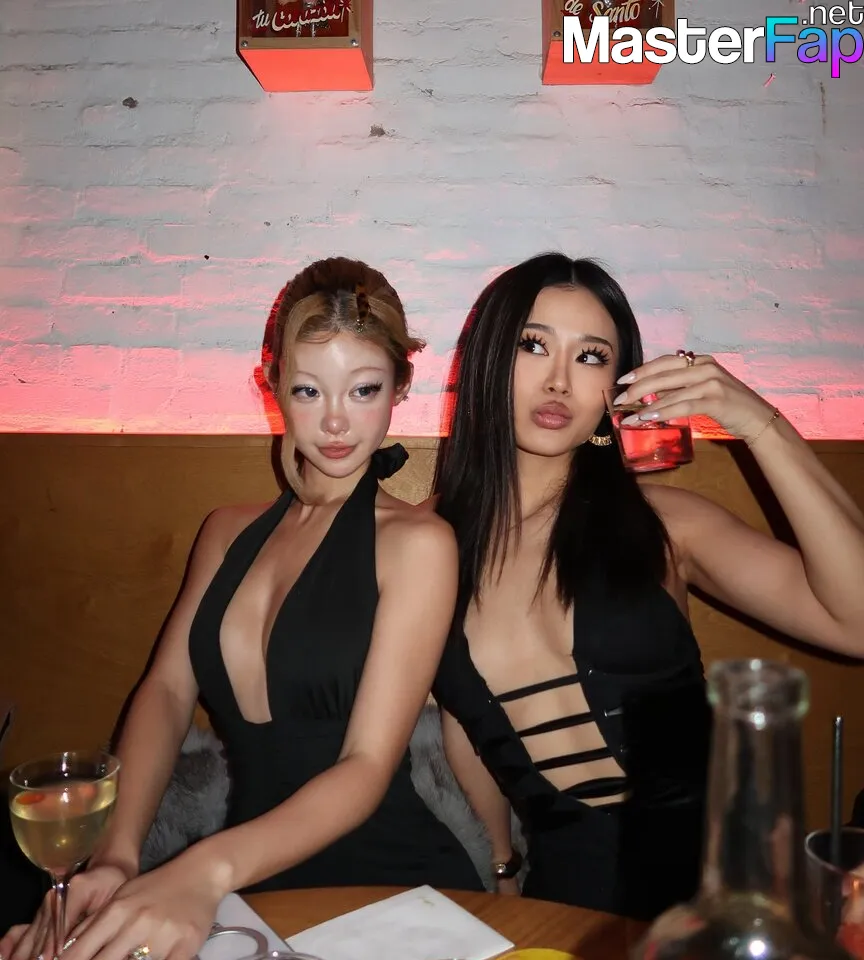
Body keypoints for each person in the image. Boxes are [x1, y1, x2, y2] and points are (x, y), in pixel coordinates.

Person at [2, 257, 483, 960]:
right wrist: (118, 856)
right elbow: (166, 693)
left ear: (400, 388)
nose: (336, 420)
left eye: (365, 389)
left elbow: (366, 766)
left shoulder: (419, 543)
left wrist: (201, 872)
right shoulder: (226, 530)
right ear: (273, 384)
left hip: (385, 885)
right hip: (244, 887)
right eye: (309, 390)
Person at [429, 252, 864, 921]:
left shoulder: (662, 523)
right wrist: (501, 867)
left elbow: (857, 624)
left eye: (591, 357)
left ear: (617, 386)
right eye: (533, 344)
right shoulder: (429, 546)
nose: (558, 379)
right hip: (566, 899)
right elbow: (463, 719)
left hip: (718, 887)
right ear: (488, 357)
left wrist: (759, 423)